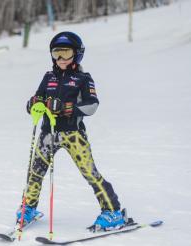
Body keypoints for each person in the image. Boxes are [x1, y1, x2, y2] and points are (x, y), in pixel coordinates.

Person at [16, 32, 126, 231]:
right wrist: (33, 103)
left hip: (73, 134)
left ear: (77, 54)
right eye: (57, 54)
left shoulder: (83, 78)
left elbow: (92, 105)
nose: (61, 59)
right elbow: (38, 98)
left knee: (90, 173)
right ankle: (28, 208)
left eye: (66, 53)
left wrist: (66, 108)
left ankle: (113, 212)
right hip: (48, 133)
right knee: (35, 172)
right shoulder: (48, 77)